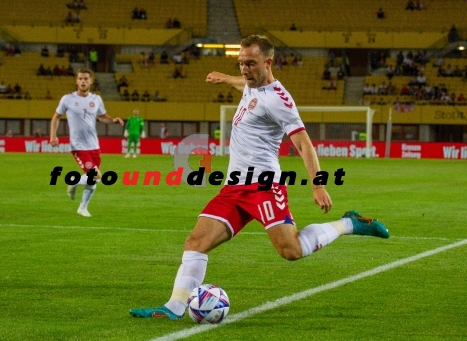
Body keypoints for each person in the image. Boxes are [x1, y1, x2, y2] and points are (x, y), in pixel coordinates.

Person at [129, 35, 389, 320]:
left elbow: (304, 144)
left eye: (250, 64)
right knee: (195, 242)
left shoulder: (279, 100)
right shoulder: (251, 84)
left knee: (291, 250)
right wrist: (226, 77)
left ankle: (349, 223)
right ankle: (174, 308)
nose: (244, 70)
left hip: (263, 186)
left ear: (268, 62)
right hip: (233, 187)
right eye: (241, 63)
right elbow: (244, 84)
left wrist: (318, 185)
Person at [50, 68, 124, 217]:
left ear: (91, 81)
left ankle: (82, 208)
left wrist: (113, 120)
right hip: (78, 146)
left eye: (86, 79)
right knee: (96, 175)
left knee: (92, 180)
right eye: (80, 79)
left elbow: (102, 117)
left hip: (94, 145)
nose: (83, 81)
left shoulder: (96, 99)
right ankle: (74, 182)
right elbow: (56, 116)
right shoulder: (67, 99)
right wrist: (53, 136)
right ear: (76, 81)